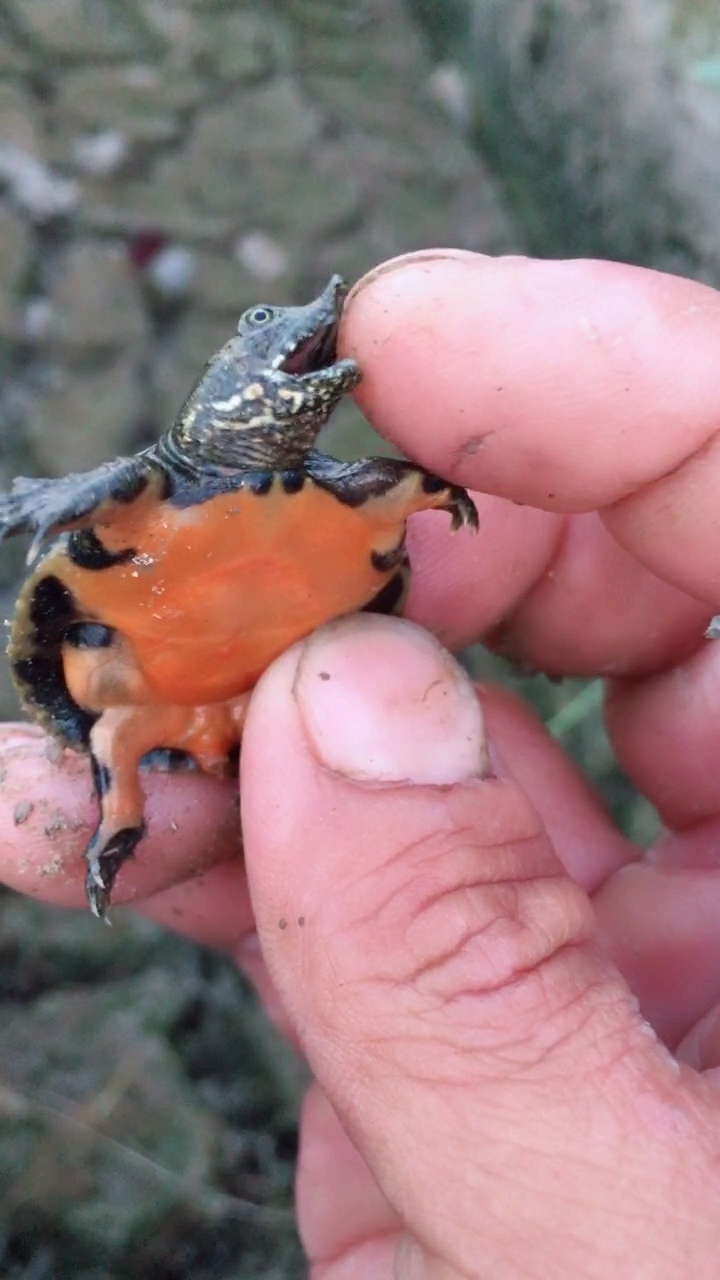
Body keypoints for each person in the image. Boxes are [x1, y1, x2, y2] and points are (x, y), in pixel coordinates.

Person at [2, 249, 720, 1276]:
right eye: (270, 326)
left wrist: (432, 493)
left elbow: (393, 493)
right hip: (146, 676)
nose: (304, 332)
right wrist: (41, 500)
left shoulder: (338, 489)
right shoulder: (149, 487)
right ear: (227, 381)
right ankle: (118, 830)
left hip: (273, 679)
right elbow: (98, 496)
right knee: (117, 740)